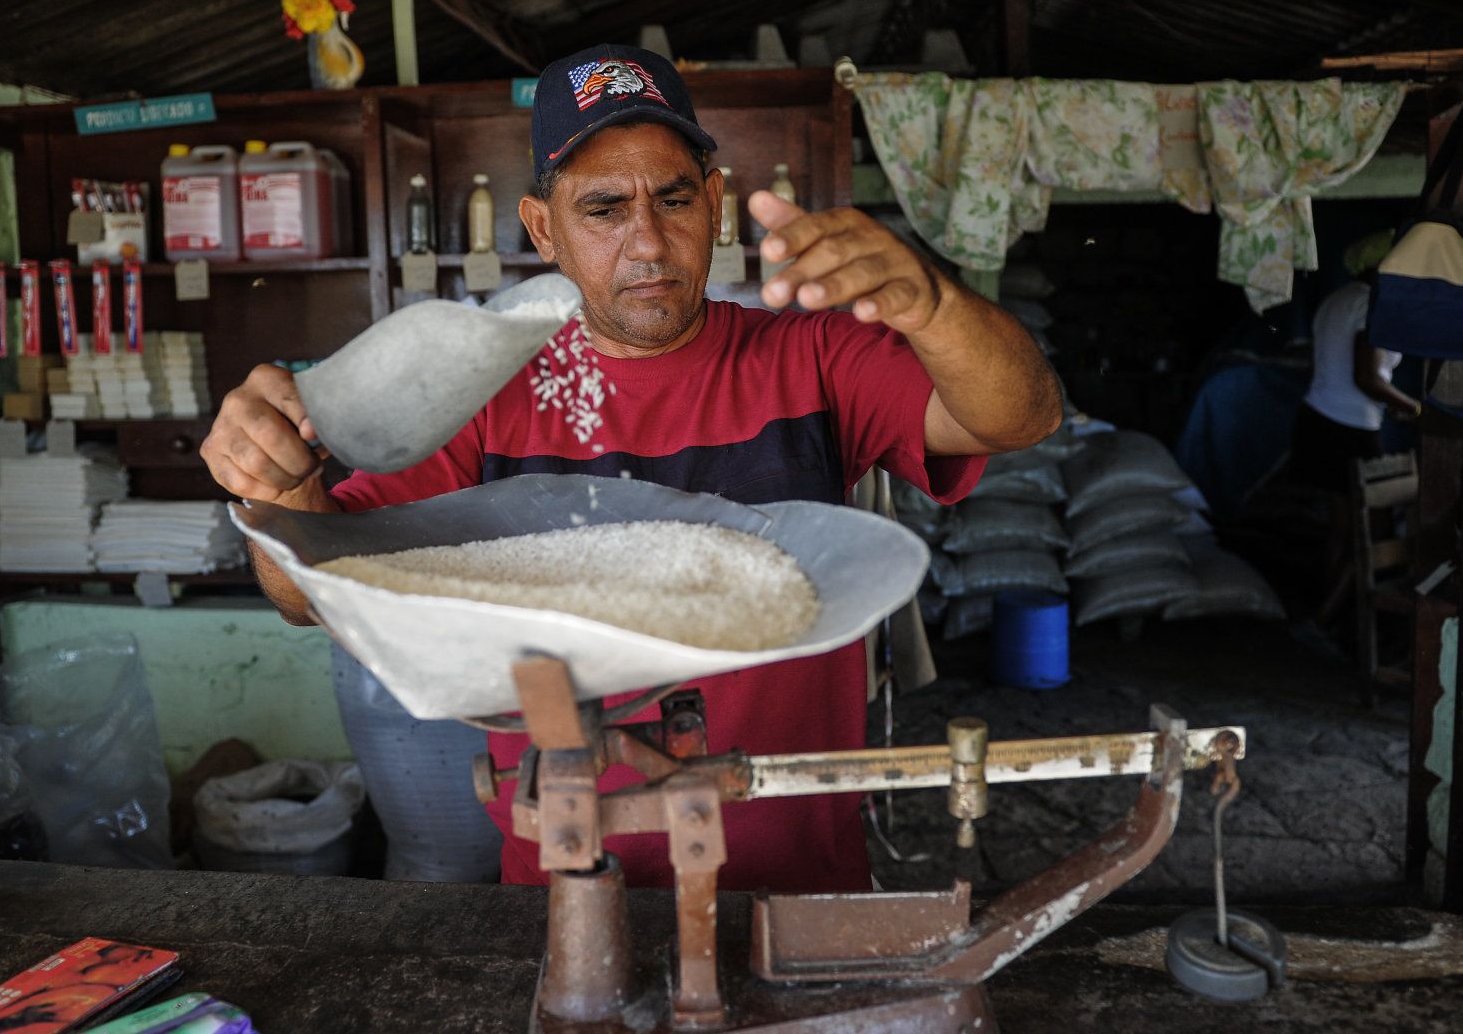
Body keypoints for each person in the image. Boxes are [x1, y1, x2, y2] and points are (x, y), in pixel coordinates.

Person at [201, 44, 1061, 892]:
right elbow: (308, 593)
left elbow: (1022, 417)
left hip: (796, 883)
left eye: (674, 198)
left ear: (715, 204)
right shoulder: (484, 388)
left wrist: (933, 305)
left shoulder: (813, 356)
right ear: (544, 229)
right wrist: (278, 489)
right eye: (605, 209)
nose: (648, 243)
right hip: (564, 886)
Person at [1279, 230, 1419, 493]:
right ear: (1385, 266)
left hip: (1317, 418)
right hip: (1349, 428)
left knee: (1343, 523)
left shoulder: (1337, 299)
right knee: (1374, 522)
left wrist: (1390, 402)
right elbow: (1366, 378)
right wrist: (1417, 409)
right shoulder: (1370, 304)